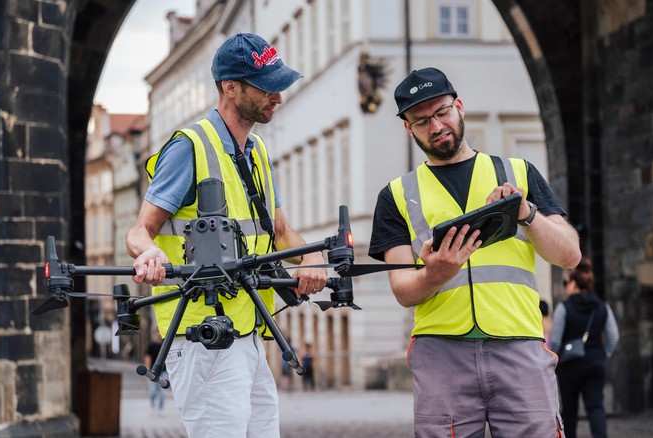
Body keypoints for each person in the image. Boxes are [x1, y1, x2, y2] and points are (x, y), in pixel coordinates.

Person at [126, 33, 327, 437]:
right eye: (268, 87)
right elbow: (139, 230)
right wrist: (148, 254)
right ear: (230, 87)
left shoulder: (256, 151)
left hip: (247, 330)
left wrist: (311, 258)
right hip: (202, 335)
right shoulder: (190, 146)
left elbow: (280, 229)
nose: (279, 97)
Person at [368, 67, 582, 437]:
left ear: (459, 106)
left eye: (441, 112)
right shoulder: (396, 195)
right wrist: (436, 273)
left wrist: (526, 213)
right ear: (407, 127)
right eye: (421, 121)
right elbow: (403, 289)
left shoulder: (517, 172)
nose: (435, 127)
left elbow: (569, 255)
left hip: (519, 343)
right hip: (441, 354)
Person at [550, 257, 619, 438]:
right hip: (595, 363)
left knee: (569, 411)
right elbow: (613, 336)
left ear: (573, 283)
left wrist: (554, 361)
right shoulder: (602, 306)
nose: (566, 286)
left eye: (567, 282)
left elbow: (555, 340)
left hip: (569, 367)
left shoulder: (564, 308)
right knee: (596, 407)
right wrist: (603, 355)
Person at [144, 329, 168, 413]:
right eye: (157, 333)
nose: (159, 335)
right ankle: (152, 404)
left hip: (164, 372)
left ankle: (161, 409)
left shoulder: (165, 345)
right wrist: (147, 371)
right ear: (155, 334)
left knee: (162, 392)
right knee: (153, 391)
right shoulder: (151, 345)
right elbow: (148, 358)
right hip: (152, 372)